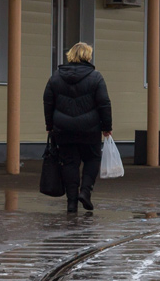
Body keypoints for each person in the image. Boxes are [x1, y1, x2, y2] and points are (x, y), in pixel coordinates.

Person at [43, 42, 112, 214]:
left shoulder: (56, 77)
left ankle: (71, 203)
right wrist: (107, 126)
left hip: (63, 129)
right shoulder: (96, 77)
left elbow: (48, 102)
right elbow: (104, 103)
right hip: (90, 129)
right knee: (92, 159)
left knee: (69, 163)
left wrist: (50, 125)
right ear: (87, 56)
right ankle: (85, 192)